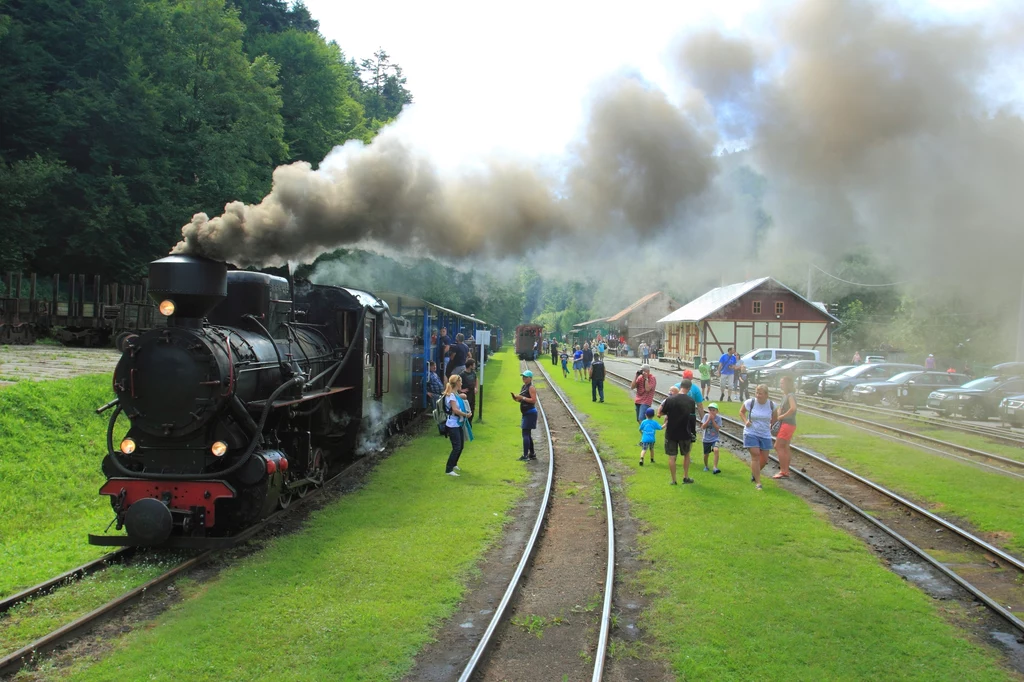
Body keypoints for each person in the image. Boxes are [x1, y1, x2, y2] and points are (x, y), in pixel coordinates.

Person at [739, 384, 776, 490]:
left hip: (765, 434)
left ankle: (754, 473)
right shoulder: (750, 402)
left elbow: (775, 417)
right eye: (757, 393)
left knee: (764, 460)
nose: (758, 395)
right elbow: (741, 412)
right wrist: (746, 421)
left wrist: (771, 425)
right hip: (751, 433)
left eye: (760, 394)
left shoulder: (772, 405)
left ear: (766, 395)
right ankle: (758, 483)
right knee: (755, 455)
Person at [658, 383, 696, 484]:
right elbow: (692, 418)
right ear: (688, 388)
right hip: (685, 432)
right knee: (686, 454)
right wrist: (693, 432)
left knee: (672, 456)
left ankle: (674, 480)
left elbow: (661, 412)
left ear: (680, 387)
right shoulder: (690, 401)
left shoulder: (670, 400)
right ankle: (685, 476)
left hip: (671, 432)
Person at [443, 375, 472, 476]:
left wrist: (462, 396)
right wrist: (466, 415)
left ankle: (454, 464)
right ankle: (448, 469)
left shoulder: (454, 394)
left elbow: (458, 399)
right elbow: (455, 409)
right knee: (457, 447)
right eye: (461, 382)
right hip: (452, 424)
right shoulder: (451, 395)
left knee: (461, 446)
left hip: (457, 423)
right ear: (457, 382)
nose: (462, 384)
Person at [773, 376, 798, 479]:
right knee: (785, 446)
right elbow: (781, 408)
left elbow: (793, 408)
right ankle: (785, 470)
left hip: (787, 423)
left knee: (778, 446)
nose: (780, 385)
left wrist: (782, 416)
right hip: (787, 423)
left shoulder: (790, 396)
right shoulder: (785, 395)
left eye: (782, 383)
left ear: (787, 384)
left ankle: (784, 471)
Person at [512, 370, 538, 461]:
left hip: (530, 412)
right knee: (528, 433)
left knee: (525, 433)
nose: (524, 378)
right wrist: (517, 399)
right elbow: (522, 399)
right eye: (523, 377)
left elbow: (533, 400)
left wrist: (522, 397)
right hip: (526, 412)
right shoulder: (524, 387)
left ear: (530, 378)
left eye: (526, 377)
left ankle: (525, 455)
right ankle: (532, 454)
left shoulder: (531, 388)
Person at [701, 402, 722, 474]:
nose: (712, 412)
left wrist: (713, 420)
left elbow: (717, 428)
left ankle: (715, 467)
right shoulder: (706, 416)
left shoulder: (718, 418)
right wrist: (708, 420)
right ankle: (706, 466)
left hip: (715, 438)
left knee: (716, 450)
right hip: (706, 439)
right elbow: (703, 427)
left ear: (717, 411)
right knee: (706, 454)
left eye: (714, 410)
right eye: (710, 410)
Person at [459, 359, 478, 424]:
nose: (475, 366)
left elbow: (476, 379)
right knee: (467, 407)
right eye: (474, 364)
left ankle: (470, 422)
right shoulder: (462, 374)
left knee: (472, 407)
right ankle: (466, 422)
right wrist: (461, 390)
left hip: (472, 393)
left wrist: (476, 387)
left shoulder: (473, 372)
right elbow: (458, 383)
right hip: (466, 394)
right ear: (470, 366)